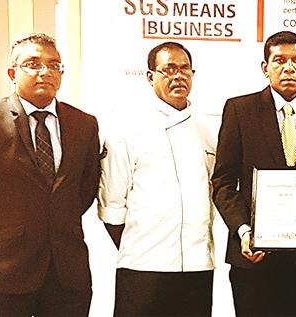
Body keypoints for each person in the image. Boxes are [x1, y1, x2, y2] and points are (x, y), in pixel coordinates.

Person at [0, 33, 100, 316]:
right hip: (4, 273)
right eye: (33, 64)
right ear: (13, 72)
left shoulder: (84, 124)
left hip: (68, 273)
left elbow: (85, 189)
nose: (45, 72)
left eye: (54, 65)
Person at [211, 31, 296, 316]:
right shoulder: (239, 110)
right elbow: (223, 181)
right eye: (280, 60)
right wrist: (244, 231)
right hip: (253, 253)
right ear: (265, 67)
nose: (289, 68)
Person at [98, 42, 216, 316]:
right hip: (143, 267)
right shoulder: (126, 128)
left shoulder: (208, 129)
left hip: (198, 266)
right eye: (168, 70)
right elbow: (112, 206)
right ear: (150, 77)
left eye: (184, 69)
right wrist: (142, 244)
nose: (178, 76)